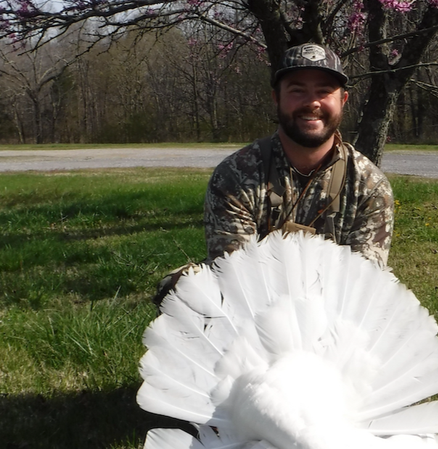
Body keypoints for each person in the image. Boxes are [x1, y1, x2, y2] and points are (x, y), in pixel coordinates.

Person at [154, 43, 395, 305]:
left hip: (335, 311)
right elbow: (236, 280)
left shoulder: (369, 185)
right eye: (297, 91)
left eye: (324, 91)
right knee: (182, 292)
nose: (312, 102)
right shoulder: (235, 175)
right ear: (276, 98)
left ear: (343, 100)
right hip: (253, 311)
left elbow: (363, 284)